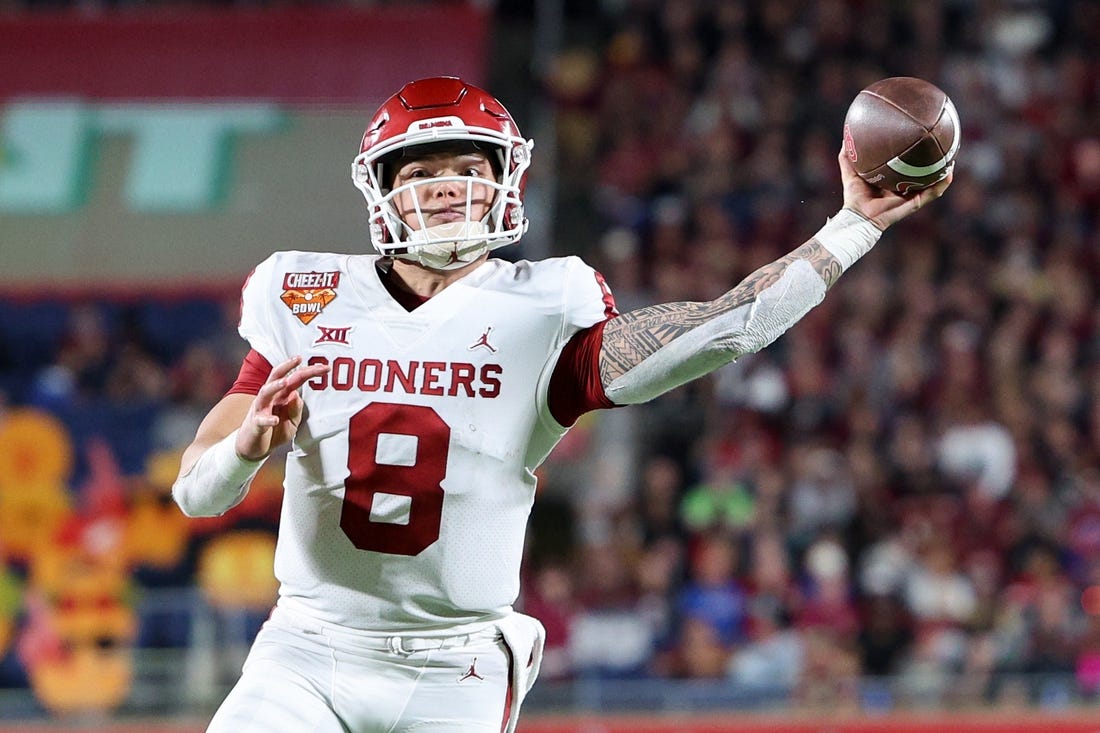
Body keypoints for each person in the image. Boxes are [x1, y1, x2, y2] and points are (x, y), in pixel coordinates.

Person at [172, 76, 952, 732]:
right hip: (308, 645)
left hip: (456, 661)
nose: (446, 183)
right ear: (383, 189)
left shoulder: (544, 308)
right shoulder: (307, 295)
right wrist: (247, 449)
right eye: (420, 169)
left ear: (506, 177)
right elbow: (194, 491)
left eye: (466, 164)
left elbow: (726, 329)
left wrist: (851, 228)